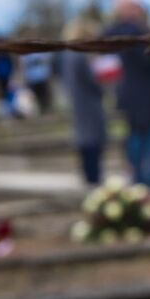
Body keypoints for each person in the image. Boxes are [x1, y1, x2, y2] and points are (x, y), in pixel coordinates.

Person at [107, 0, 150, 187]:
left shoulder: (114, 33)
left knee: (136, 139)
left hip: (129, 97)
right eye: (136, 7)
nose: (140, 11)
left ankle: (139, 179)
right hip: (148, 97)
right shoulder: (135, 32)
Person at [60, 17, 107, 185]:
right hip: (88, 103)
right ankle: (93, 179)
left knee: (83, 139)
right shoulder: (80, 57)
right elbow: (92, 82)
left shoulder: (67, 55)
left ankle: (89, 177)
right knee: (92, 142)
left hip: (77, 102)